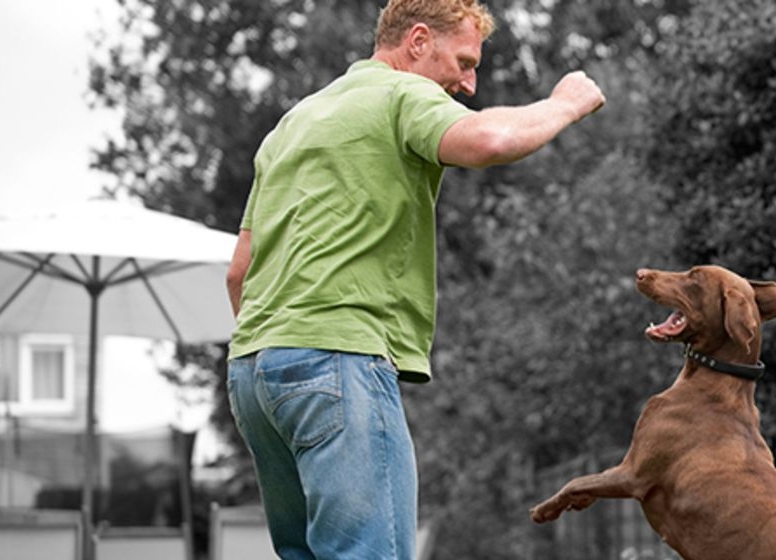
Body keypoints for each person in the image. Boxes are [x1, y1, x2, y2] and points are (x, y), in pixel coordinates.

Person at [223, 0, 605, 557]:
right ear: (419, 42)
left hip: (255, 372)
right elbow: (490, 141)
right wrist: (563, 105)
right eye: (465, 61)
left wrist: (288, 344)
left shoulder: (293, 123)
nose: (470, 84)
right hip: (337, 357)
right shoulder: (402, 93)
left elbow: (239, 274)